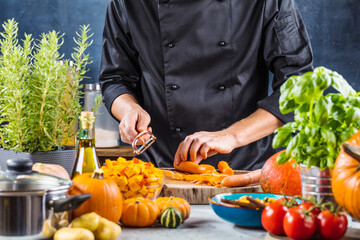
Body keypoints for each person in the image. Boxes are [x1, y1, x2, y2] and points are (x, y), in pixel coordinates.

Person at [99, 0, 313, 170]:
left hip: (246, 171)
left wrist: (232, 135)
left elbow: (301, 87)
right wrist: (129, 110)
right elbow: (115, 79)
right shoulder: (128, 3)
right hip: (161, 171)